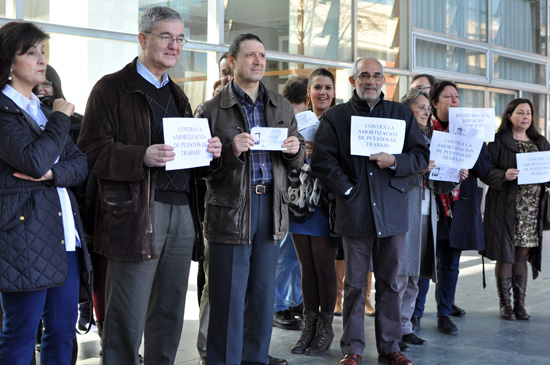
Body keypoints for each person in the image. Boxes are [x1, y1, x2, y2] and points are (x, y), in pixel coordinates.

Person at [76, 7, 221, 365]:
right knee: (127, 313)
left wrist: (210, 153)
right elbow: (89, 153)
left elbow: (187, 160)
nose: (175, 45)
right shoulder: (111, 89)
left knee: (170, 312)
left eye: (180, 38)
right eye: (166, 37)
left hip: (183, 212)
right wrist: (140, 155)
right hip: (135, 212)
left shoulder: (179, 96)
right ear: (143, 39)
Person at [195, 33, 304, 365]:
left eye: (262, 55)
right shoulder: (212, 110)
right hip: (230, 211)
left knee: (261, 298)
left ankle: (255, 360)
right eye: (249, 55)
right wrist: (230, 152)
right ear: (232, 61)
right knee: (227, 298)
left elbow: (296, 161)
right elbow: (200, 170)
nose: (258, 61)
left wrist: (295, 152)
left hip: (270, 209)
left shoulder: (281, 106)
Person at [311, 57, 429, 365]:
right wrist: (348, 190)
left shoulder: (401, 114)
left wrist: (395, 161)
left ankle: (390, 348)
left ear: (384, 80)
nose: (370, 81)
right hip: (356, 212)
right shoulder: (337, 117)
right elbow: (323, 161)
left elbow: (420, 156)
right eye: (364, 75)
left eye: (377, 76)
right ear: (353, 81)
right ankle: (353, 348)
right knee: (354, 285)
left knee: (390, 283)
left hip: (393, 212)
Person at [0, 21, 91, 364]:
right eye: (32, 53)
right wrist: (58, 121)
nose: (42, 60)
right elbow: (33, 161)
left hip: (64, 235)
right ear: (9, 63)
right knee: (21, 332)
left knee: (62, 331)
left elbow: (80, 165)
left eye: (43, 52)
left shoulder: (41, 109)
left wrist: (54, 173)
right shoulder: (5, 112)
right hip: (24, 237)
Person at [397, 89, 464, 351]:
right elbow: (392, 171)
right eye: (421, 107)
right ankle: (391, 330)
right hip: (405, 211)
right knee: (401, 274)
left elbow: (440, 183)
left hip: (429, 213)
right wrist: (418, 168)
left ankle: (405, 327)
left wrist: (456, 174)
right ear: (407, 111)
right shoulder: (399, 139)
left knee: (417, 273)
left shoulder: (433, 137)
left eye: (428, 108)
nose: (426, 112)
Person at [429, 81, 492, 335]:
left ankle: (444, 313)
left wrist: (475, 141)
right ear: (435, 103)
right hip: (432, 204)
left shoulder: (471, 131)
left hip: (459, 206)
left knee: (451, 263)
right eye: (448, 97)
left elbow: (485, 170)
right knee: (426, 262)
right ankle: (413, 314)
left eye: (457, 97)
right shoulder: (425, 129)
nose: (454, 101)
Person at [482, 98, 549, 320]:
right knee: (505, 255)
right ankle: (505, 305)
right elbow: (483, 171)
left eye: (528, 113)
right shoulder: (498, 141)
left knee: (521, 255)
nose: (525, 117)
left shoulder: (541, 142)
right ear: (509, 115)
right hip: (505, 207)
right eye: (520, 112)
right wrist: (503, 175)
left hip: (531, 210)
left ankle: (520, 304)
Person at [288, 68, 338, 356]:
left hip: (326, 202)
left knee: (324, 266)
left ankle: (326, 329)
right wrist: (296, 152)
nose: (323, 92)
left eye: (327, 87)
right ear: (308, 92)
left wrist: (318, 151)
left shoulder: (341, 119)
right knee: (306, 267)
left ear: (334, 91)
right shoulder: (296, 121)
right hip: (298, 199)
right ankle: (309, 327)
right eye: (317, 87)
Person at [272, 75, 310, 332]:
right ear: (307, 97)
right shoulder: (283, 118)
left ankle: (293, 300)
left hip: (301, 194)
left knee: (297, 255)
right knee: (286, 253)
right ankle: (277, 306)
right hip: (288, 194)